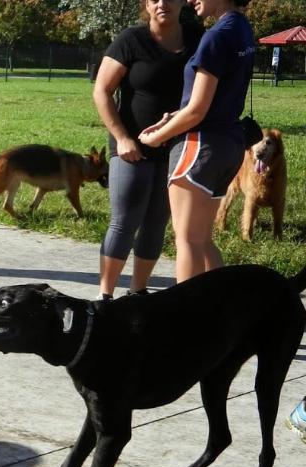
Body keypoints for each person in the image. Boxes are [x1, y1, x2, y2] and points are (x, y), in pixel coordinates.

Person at [139, 0, 255, 283]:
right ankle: (223, 312)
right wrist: (171, 120)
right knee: (202, 240)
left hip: (201, 146)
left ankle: (186, 320)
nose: (190, 0)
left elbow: (197, 110)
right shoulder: (242, 29)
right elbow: (214, 99)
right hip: (229, 144)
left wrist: (155, 138)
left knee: (187, 240)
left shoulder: (215, 36)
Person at [93, 0, 201, 300]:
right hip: (132, 148)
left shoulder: (197, 37)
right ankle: (105, 298)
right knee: (125, 219)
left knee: (156, 221)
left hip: (177, 147)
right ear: (146, 4)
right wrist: (122, 138)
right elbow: (102, 90)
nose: (162, 4)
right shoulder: (131, 40)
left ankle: (137, 292)